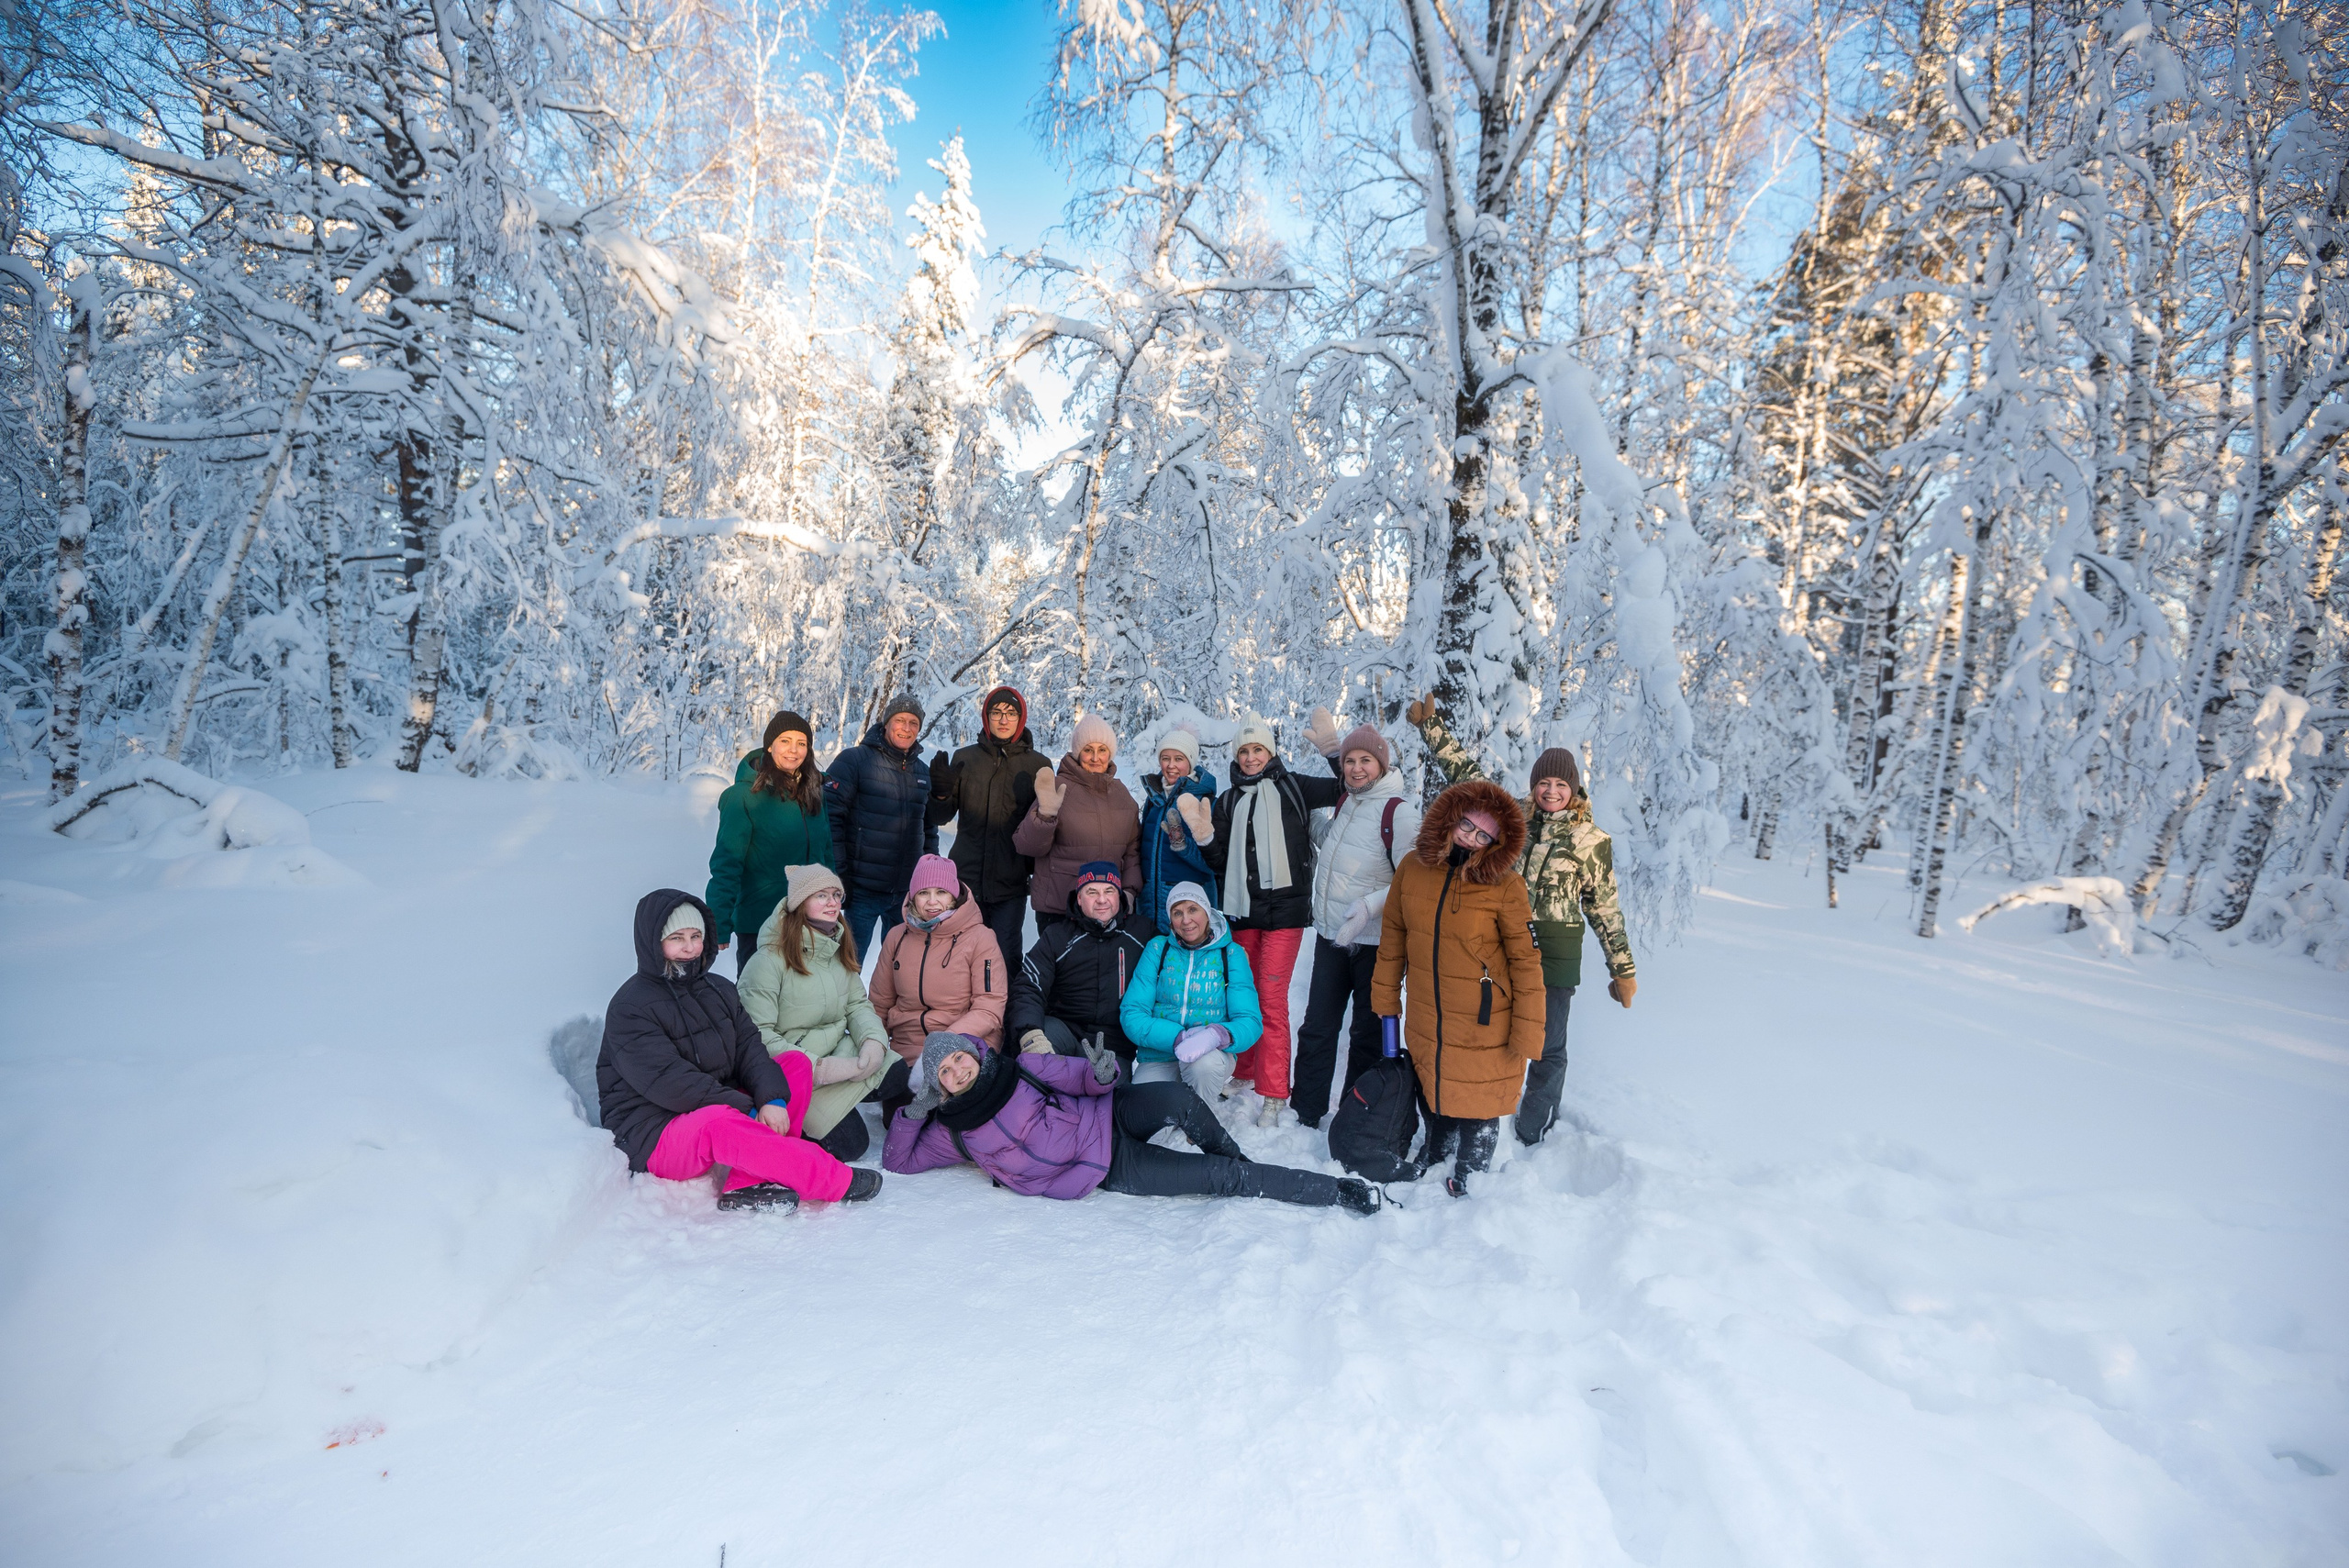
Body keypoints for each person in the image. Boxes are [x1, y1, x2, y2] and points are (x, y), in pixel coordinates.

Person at [1408, 693, 1638, 1146]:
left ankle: (1533, 1129)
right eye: (1544, 783)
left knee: (1547, 1044)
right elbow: (1469, 778)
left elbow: (1605, 909)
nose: (1551, 792)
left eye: (1561, 785)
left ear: (1575, 790)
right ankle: (1481, 1107)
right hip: (1500, 941)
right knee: (1492, 1030)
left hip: (1555, 948)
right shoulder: (1514, 817)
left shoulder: (1593, 840)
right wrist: (1431, 728)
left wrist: (1622, 970)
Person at [596, 889, 881, 1211]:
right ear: (653, 942)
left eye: (696, 936)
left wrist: (770, 1099)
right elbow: (672, 1084)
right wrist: (749, 1110)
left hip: (715, 1104)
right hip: (655, 1130)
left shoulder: (718, 989)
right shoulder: (630, 1008)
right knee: (720, 1122)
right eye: (677, 938)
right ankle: (831, 1179)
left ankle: (748, 1181)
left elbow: (749, 1047)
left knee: (794, 1064)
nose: (689, 947)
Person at [883, 1031, 1381, 1213]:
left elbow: (1084, 1079)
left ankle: (1248, 1167)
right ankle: (1335, 1192)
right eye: (944, 1073)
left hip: (1109, 1112)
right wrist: (914, 1112)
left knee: (1179, 1098)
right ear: (939, 1086)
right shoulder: (956, 1134)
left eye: (957, 1059)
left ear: (972, 1051)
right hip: (1104, 1167)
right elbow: (897, 1161)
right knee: (1216, 1179)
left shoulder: (1022, 1068)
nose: (956, 1071)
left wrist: (1104, 1073)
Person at [1371, 780, 1546, 1197]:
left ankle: (1473, 1174)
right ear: (1450, 820)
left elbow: (1526, 960)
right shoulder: (1414, 868)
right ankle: (1436, 1152)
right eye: (1466, 825)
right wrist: (1385, 999)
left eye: (1483, 834)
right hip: (1429, 1010)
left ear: (1496, 842)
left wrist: (1528, 1030)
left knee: (1481, 1098)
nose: (1470, 836)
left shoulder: (1505, 886)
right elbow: (1393, 936)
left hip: (1485, 1017)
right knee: (1436, 1083)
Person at [1186, 713, 1343, 1126]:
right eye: (1245, 750)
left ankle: (1274, 1091)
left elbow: (1349, 787)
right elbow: (1219, 863)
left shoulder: (1295, 786)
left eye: (1258, 750)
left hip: (1286, 916)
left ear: (1270, 752)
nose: (1252, 757)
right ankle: (1245, 1070)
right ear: (1236, 756)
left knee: (1271, 1001)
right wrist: (1205, 838)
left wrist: (1333, 753)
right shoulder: (1227, 800)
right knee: (1243, 997)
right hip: (1242, 915)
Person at [1292, 717, 1422, 1130]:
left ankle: (1354, 1110)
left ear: (1382, 766)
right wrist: (1304, 817)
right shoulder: (1349, 802)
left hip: (1374, 943)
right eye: (1350, 760)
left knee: (1366, 1033)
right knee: (1317, 1028)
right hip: (1332, 936)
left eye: (1366, 760)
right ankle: (1306, 1111)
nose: (1356, 768)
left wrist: (1369, 907)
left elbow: (1412, 880)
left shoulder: (1398, 813)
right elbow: (1338, 843)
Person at [736, 863, 893, 1162]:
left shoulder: (836, 944)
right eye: (821, 895)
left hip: (836, 1049)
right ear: (800, 902)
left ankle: (839, 1099)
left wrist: (874, 1040)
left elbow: (857, 1004)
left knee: (895, 1074)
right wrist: (820, 1069)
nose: (833, 902)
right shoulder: (767, 962)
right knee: (853, 1146)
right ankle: (805, 1119)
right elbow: (758, 1036)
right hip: (794, 1071)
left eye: (836, 894)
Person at [706, 710, 836, 974]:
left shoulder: (813, 794)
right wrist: (718, 922)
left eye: (801, 743)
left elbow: (826, 854)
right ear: (769, 745)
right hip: (761, 921)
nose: (794, 750)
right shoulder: (743, 796)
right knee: (758, 1002)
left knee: (806, 1002)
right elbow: (727, 863)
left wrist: (833, 901)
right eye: (785, 741)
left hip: (811, 920)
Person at [928, 684, 1042, 969]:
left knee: (1005, 958)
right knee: (958, 956)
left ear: (1021, 718)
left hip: (1010, 883)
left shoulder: (1038, 765)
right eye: (997, 712)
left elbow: (1042, 831)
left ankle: (1006, 1013)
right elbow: (939, 817)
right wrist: (940, 794)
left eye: (1011, 713)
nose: (1004, 719)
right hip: (965, 881)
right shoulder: (965, 758)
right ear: (986, 716)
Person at [1119, 880, 1261, 1104]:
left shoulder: (1230, 954)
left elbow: (1250, 1021)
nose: (1186, 920)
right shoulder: (1158, 948)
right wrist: (1179, 1038)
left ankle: (1199, 1122)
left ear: (1207, 911)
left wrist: (1216, 1035)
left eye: (1193, 909)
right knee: (1148, 1122)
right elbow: (1132, 1013)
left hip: (1209, 1057)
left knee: (1203, 1067)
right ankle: (1176, 1108)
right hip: (1159, 1055)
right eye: (1177, 913)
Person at [1007, 862, 1151, 1071]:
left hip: (1115, 1044)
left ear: (1119, 896)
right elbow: (1029, 985)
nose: (1102, 900)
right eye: (1092, 892)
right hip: (1064, 1031)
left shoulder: (1143, 933)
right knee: (1038, 1070)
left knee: (1107, 1094)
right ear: (1079, 898)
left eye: (1109, 891)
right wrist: (1030, 1034)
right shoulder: (1057, 935)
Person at [825, 693, 938, 957]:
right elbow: (830, 818)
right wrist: (839, 874)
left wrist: (929, 878)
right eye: (900, 720)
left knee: (900, 966)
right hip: (861, 890)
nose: (906, 728)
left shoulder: (922, 772)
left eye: (913, 723)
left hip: (905, 893)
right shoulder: (854, 761)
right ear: (886, 723)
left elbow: (929, 829)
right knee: (848, 965)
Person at [868, 854, 1008, 1062]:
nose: (932, 901)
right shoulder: (897, 937)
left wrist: (944, 1043)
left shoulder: (980, 938)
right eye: (924, 893)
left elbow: (989, 1008)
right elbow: (879, 1004)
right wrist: (873, 1043)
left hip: (964, 1047)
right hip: (905, 1050)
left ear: (954, 895)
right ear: (913, 897)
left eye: (941, 892)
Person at [1011, 713, 1142, 931]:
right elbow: (1026, 846)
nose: (1095, 758)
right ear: (1077, 752)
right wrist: (1045, 815)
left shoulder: (1122, 795)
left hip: (1106, 910)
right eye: (1088, 750)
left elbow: (1132, 851)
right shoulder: (1058, 788)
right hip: (1060, 909)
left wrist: (1128, 891)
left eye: (1102, 750)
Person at [1138, 728, 1219, 932]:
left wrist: (1183, 846)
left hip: (1186, 906)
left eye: (1178, 759)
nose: (1171, 765)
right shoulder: (1153, 800)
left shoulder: (1206, 803)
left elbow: (1214, 866)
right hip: (1149, 901)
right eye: (1165, 758)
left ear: (1190, 762)